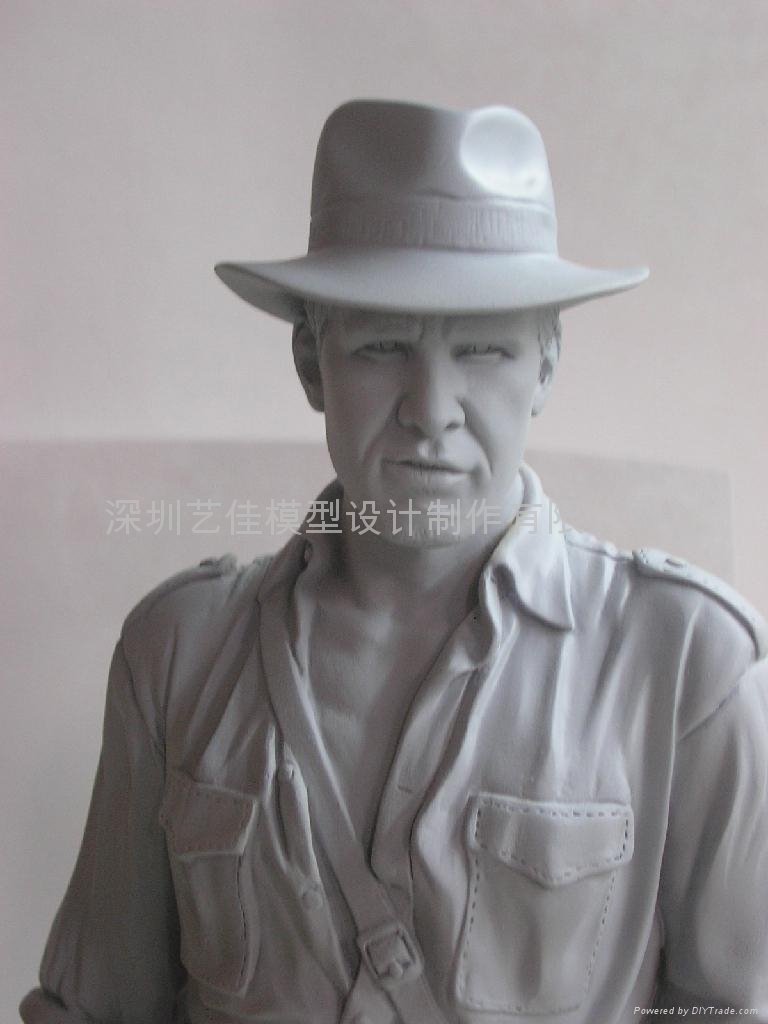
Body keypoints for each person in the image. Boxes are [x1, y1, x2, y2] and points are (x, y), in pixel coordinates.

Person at [21, 100, 768, 1024]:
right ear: (311, 362)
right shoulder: (179, 654)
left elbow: (732, 1004)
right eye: (382, 346)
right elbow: (98, 1006)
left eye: (485, 349)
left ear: (546, 364)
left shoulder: (687, 665)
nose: (433, 409)